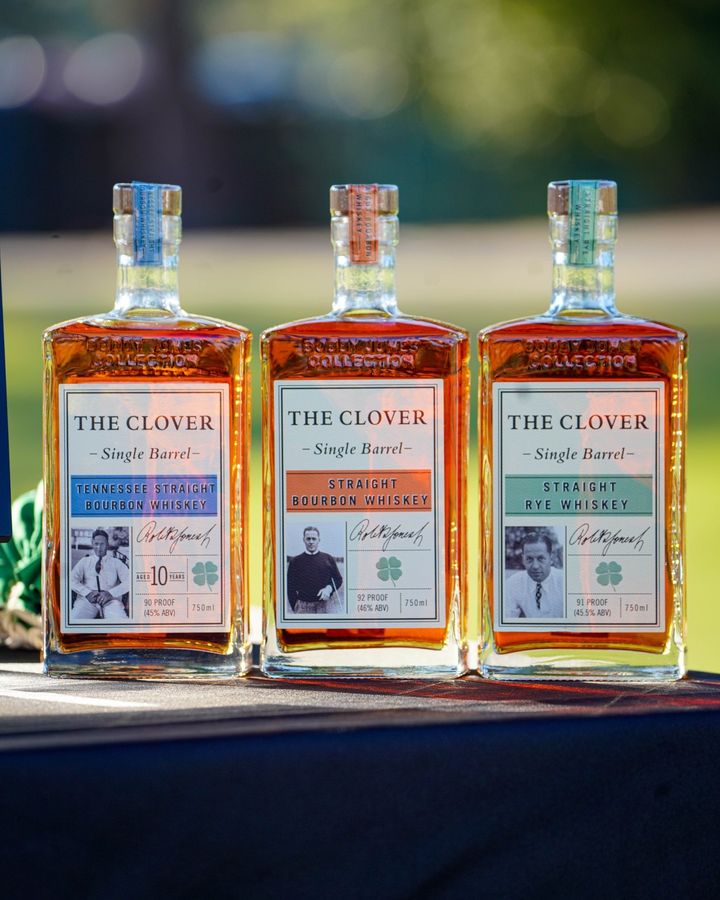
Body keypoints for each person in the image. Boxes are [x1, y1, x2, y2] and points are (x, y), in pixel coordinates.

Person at [70, 529, 130, 620]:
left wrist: (111, 593)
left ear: (107, 544)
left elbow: (130, 581)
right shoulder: (84, 561)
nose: (99, 547)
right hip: (87, 601)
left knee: (120, 623)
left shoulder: (116, 563)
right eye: (96, 544)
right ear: (92, 544)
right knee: (75, 619)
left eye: (102, 544)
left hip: (111, 602)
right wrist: (87, 593)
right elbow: (71, 579)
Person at [505, 531, 563, 618]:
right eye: (529, 559)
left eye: (541, 558)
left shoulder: (565, 582)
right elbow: (507, 617)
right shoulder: (513, 583)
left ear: (551, 558)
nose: (535, 566)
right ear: (523, 559)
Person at [287, 526, 343, 614]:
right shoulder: (295, 561)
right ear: (304, 540)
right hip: (303, 607)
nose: (311, 542)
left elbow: (338, 579)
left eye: (314, 539)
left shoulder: (328, 558)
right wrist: (296, 607)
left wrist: (329, 588)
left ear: (318, 540)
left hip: (326, 605)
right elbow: (290, 588)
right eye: (308, 539)